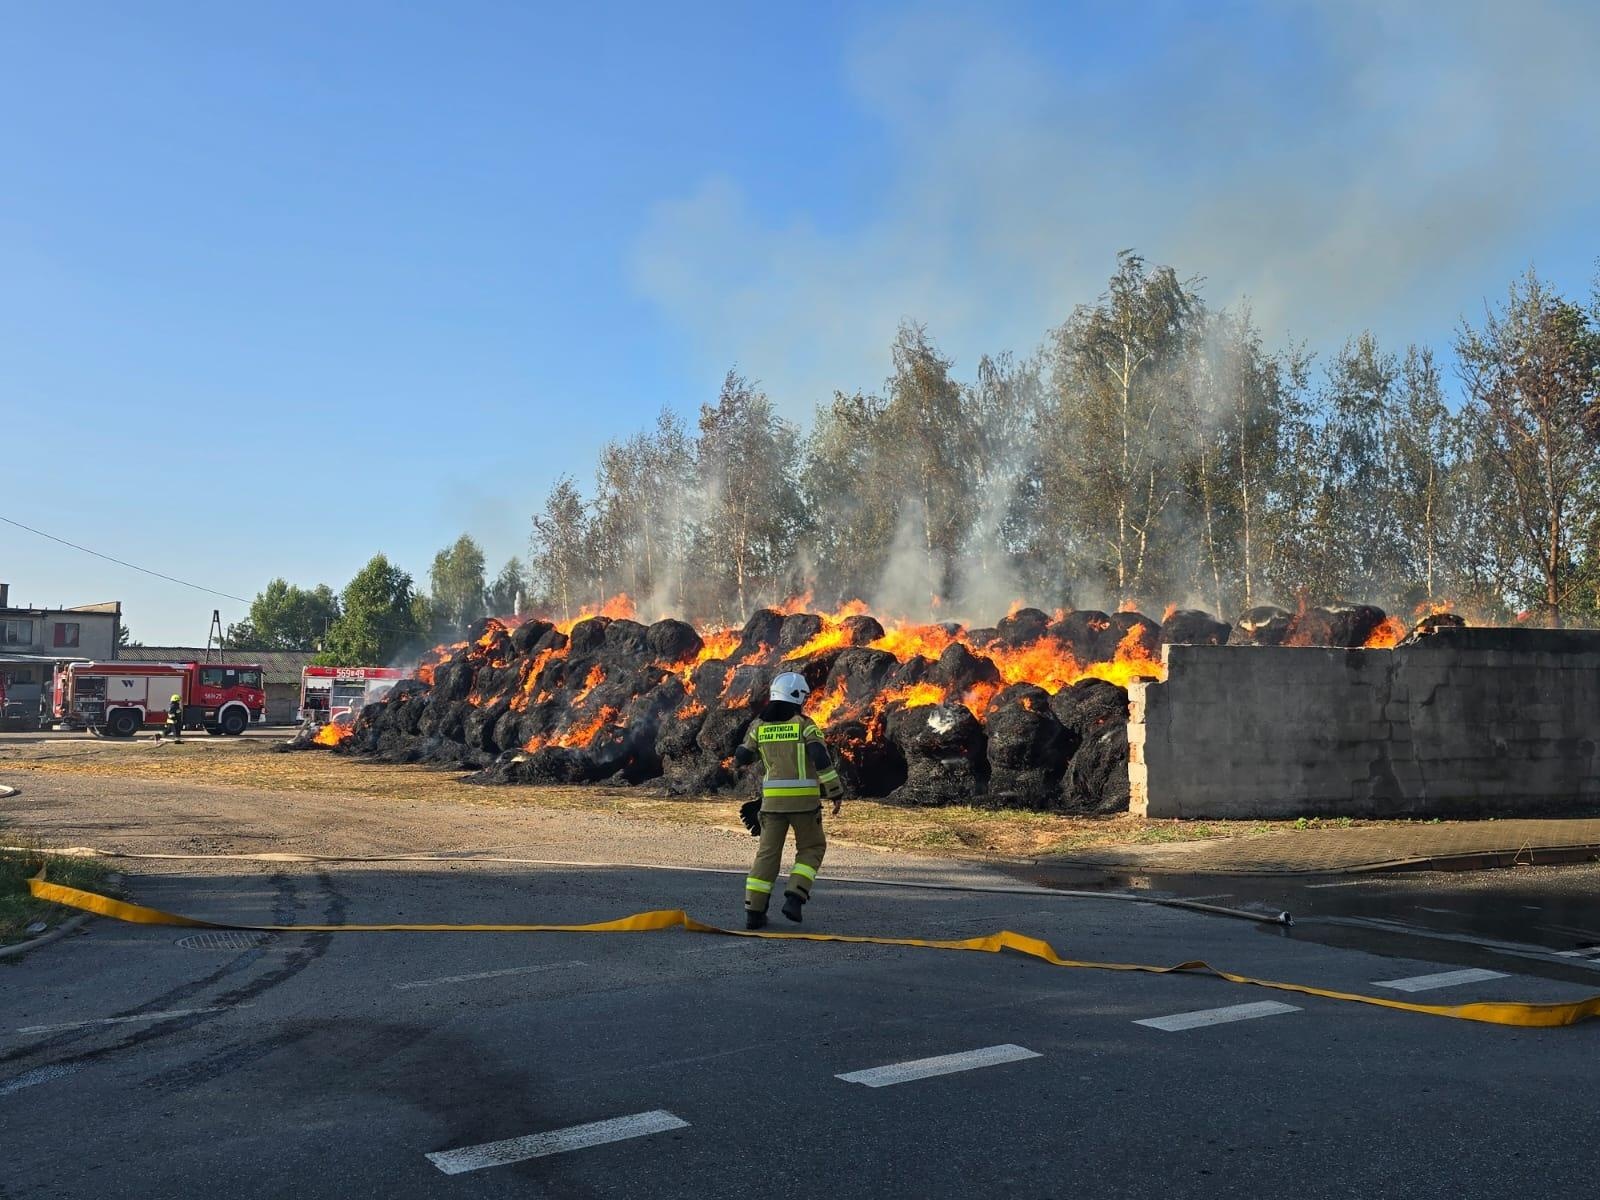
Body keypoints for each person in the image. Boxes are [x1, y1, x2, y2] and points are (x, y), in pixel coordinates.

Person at [733, 671, 845, 929]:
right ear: (797, 696)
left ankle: (754, 912)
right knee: (812, 847)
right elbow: (820, 757)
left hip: (771, 805)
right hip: (804, 805)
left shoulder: (759, 726)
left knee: (767, 855)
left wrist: (748, 757)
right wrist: (835, 791)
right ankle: (795, 896)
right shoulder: (805, 725)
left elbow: (741, 757)